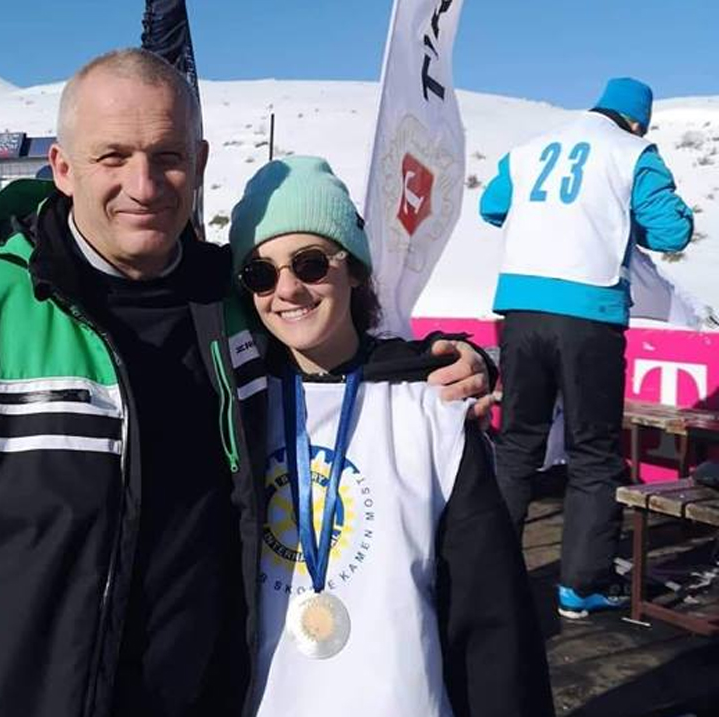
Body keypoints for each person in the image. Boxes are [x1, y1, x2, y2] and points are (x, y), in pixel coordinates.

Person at [0, 48, 491, 717]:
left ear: (198, 163)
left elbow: (329, 349)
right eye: (112, 157)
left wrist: (448, 361)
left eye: (167, 156)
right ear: (63, 168)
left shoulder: (236, 302)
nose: (143, 185)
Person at [228, 155, 553, 716]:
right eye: (261, 273)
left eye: (310, 264)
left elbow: (489, 612)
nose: (288, 290)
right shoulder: (235, 406)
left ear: (353, 268)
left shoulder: (431, 404)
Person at [480, 77, 694, 618]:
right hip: (589, 315)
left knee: (517, 444)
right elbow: (671, 232)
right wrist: (623, 222)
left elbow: (492, 205)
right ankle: (581, 585)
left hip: (521, 311)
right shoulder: (634, 152)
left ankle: (489, 573)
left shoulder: (530, 149)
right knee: (593, 453)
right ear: (638, 121)